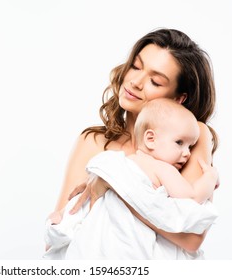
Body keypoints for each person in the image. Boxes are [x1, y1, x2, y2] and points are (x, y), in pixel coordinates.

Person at [49, 28, 218, 253]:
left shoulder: (190, 139)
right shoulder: (93, 142)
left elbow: (191, 237)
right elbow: (59, 236)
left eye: (155, 81)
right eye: (136, 66)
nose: (135, 82)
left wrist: (113, 183)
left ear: (179, 98)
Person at [43, 98, 219, 259]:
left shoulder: (120, 162)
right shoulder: (162, 168)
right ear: (150, 139)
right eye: (179, 143)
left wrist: (63, 219)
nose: (187, 154)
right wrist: (210, 177)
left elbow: (85, 201)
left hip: (96, 244)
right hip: (127, 246)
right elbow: (193, 197)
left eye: (190, 146)